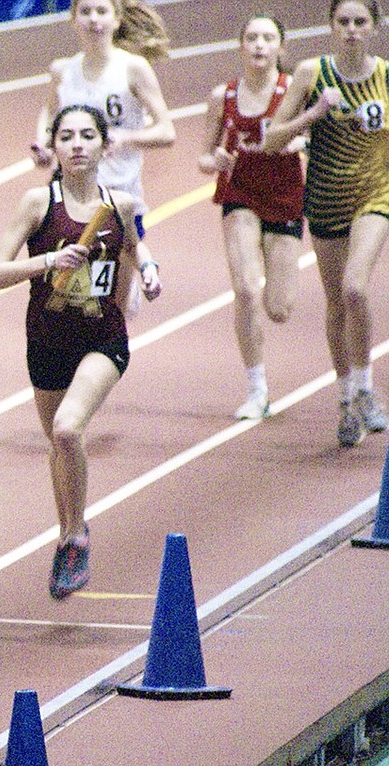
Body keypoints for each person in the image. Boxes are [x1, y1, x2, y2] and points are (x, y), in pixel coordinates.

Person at [0, 105, 145, 598]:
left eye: (88, 136)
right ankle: (68, 533)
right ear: (53, 147)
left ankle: (76, 535)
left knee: (67, 429)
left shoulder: (119, 206)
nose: (77, 144)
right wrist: (51, 260)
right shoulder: (38, 203)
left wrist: (145, 279)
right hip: (47, 342)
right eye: (67, 136)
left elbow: (132, 258)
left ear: (105, 146)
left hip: (102, 342)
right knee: (60, 447)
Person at [260, 0, 389, 447]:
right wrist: (312, 116)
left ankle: (368, 390)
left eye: (360, 22)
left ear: (375, 27)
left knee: (356, 286)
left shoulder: (386, 77)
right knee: (337, 301)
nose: (352, 30)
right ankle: (346, 397)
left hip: (374, 193)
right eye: (344, 22)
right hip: (325, 196)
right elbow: (272, 139)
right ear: (332, 26)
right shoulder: (312, 74)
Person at [197, 14, 306, 420]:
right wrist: (216, 160)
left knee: (278, 308)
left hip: (284, 196)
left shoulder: (294, 90)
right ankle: (256, 388)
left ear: (281, 47)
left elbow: (313, 133)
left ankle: (268, 310)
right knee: (245, 288)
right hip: (239, 193)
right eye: (252, 38)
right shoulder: (222, 96)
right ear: (241, 46)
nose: (259, 45)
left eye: (268, 38)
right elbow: (203, 157)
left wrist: (299, 140)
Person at [31, 0, 174, 305]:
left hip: (119, 190)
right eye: (85, 12)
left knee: (111, 306)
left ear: (117, 18)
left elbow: (166, 131)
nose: (93, 20)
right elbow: (49, 116)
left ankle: (132, 282)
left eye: (101, 11)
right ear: (73, 20)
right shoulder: (63, 71)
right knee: (64, 292)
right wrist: (44, 146)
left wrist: (126, 138)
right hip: (71, 191)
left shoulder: (133, 68)